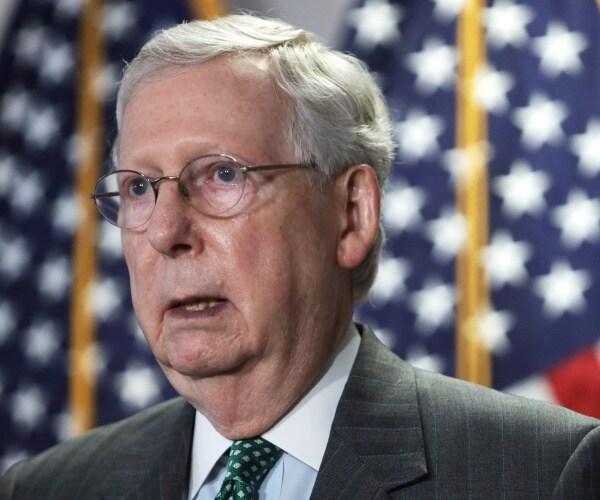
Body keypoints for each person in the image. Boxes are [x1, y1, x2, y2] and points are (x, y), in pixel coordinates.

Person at [1, 13, 599, 499]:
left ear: (351, 214)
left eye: (222, 176)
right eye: (138, 187)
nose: (165, 232)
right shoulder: (48, 489)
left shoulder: (542, 474)